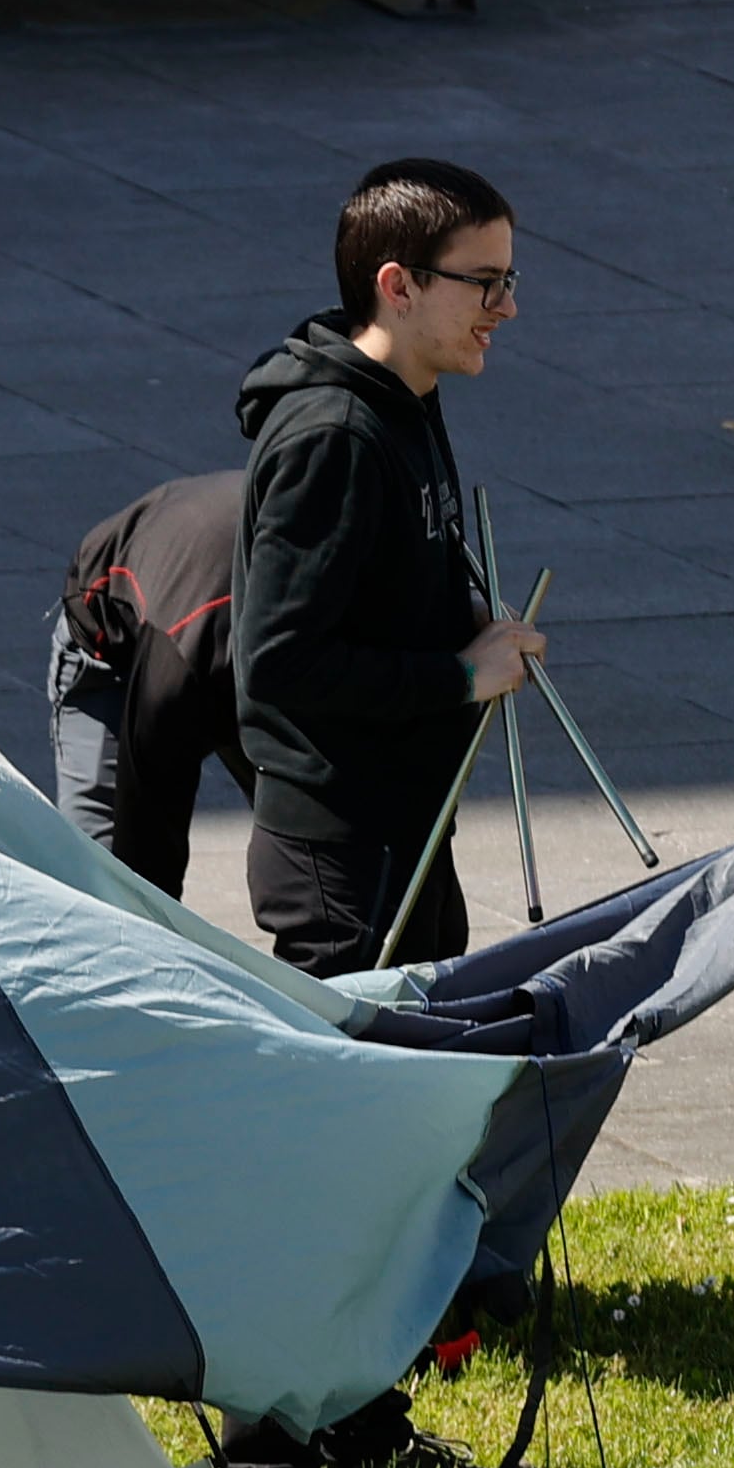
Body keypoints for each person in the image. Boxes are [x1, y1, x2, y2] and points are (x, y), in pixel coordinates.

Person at [231, 156, 546, 980]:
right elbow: (277, 659)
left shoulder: (407, 395)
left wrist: (461, 613)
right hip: (343, 837)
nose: (506, 308)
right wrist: (454, 676)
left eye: (509, 278)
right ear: (397, 285)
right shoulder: (334, 435)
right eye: (482, 283)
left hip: (403, 815)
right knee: (365, 1080)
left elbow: (381, 578)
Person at [48, 470, 247, 900]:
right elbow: (149, 823)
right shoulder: (179, 658)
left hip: (217, 611)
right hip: (109, 643)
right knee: (108, 881)